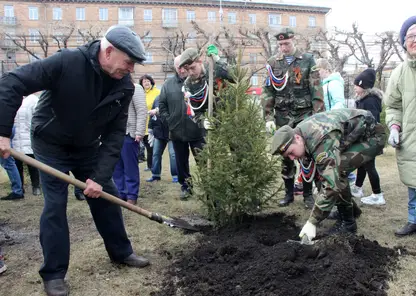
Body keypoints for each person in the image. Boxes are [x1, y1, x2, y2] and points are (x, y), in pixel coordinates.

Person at [0, 25, 150, 296]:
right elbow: (12, 82)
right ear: (108, 51)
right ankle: (54, 274)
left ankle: (121, 252)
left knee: (105, 197)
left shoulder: (124, 86)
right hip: (50, 144)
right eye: (129, 62)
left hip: (87, 147)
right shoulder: (67, 61)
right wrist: (2, 133)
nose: (131, 69)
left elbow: (116, 135)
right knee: (55, 206)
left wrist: (99, 178)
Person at [271, 109, 386, 242]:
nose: (291, 158)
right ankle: (351, 211)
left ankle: (348, 224)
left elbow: (332, 182)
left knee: (338, 171)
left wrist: (312, 222)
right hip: (352, 138)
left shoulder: (319, 138)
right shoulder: (300, 134)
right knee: (328, 172)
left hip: (371, 137)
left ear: (297, 138)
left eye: (291, 152)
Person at [263, 28, 325, 209]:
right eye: (281, 44)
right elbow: (268, 91)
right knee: (285, 156)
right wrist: (268, 116)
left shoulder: (307, 60)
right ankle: (288, 194)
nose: (284, 48)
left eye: (287, 43)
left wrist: (318, 116)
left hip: (304, 116)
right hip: (282, 116)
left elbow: (316, 89)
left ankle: (307, 195)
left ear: (293, 40)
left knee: (306, 155)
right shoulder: (273, 62)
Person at [384, 16, 416, 236]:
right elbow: (393, 106)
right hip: (411, 138)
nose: (414, 39)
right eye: (410, 36)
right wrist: (394, 127)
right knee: (414, 184)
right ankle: (414, 220)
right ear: (404, 42)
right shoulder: (398, 73)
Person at [350, 68, 385, 205]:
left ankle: (378, 195)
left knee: (370, 166)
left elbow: (372, 120)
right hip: (366, 138)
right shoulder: (363, 99)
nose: (354, 88)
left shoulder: (370, 101)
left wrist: (365, 135)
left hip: (371, 139)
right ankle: (358, 188)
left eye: (356, 85)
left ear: (363, 85)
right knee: (362, 164)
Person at [112, 83, 147, 205]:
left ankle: (132, 195)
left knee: (130, 166)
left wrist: (139, 132)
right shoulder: (113, 88)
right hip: (114, 135)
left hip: (129, 134)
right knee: (116, 166)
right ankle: (120, 193)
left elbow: (142, 111)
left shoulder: (136, 88)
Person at [12, 94, 41, 196]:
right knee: (17, 164)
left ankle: (36, 186)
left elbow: (38, 117)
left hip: (29, 137)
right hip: (15, 138)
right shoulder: (13, 98)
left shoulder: (33, 100)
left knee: (32, 164)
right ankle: (20, 187)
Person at [146, 96, 178, 183]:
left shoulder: (173, 99)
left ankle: (175, 175)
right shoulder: (156, 99)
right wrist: (150, 129)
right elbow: (151, 116)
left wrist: (157, 110)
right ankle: (155, 175)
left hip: (171, 132)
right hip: (159, 132)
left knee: (173, 155)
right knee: (156, 154)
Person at [139, 74, 160, 171]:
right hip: (143, 124)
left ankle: (153, 167)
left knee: (154, 147)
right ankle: (149, 165)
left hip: (155, 123)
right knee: (147, 146)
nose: (146, 83)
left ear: (151, 82)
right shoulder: (141, 93)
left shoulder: (157, 92)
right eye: (144, 82)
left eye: (148, 81)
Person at [0, 126, 24, 200]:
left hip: (3, 129)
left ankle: (17, 191)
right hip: (6, 128)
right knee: (9, 163)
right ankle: (18, 190)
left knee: (8, 163)